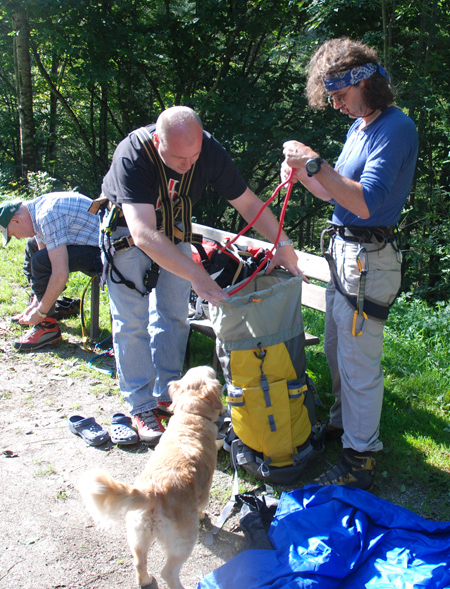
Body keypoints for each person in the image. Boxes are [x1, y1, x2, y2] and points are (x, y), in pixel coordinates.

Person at [100, 106, 300, 445]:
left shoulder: (206, 151)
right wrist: (197, 274)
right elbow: (144, 233)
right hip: (128, 232)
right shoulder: (133, 153)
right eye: (180, 158)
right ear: (158, 140)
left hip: (174, 228)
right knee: (131, 319)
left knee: (174, 313)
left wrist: (282, 242)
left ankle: (168, 394)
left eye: (194, 156)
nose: (189, 164)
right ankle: (141, 405)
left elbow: (248, 203)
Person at [281, 37, 418, 490]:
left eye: (340, 95)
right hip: (344, 253)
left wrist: (315, 164)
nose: (336, 104)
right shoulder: (360, 127)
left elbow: (365, 201)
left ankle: (362, 457)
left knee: (359, 364)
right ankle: (343, 430)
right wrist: (304, 175)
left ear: (365, 81)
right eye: (332, 97)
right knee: (338, 351)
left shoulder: (396, 128)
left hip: (367, 258)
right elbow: (334, 191)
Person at [0, 193, 101, 351]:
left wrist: (40, 312)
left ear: (16, 220)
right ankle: (41, 308)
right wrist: (38, 303)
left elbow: (59, 273)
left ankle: (46, 326)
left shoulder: (47, 215)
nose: (16, 238)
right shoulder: (35, 211)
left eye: (12, 234)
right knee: (33, 247)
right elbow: (44, 255)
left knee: (40, 261)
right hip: (86, 243)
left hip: (105, 250)